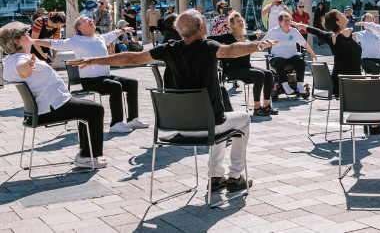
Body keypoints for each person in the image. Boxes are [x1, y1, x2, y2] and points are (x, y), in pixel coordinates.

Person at [67, 10, 277, 192]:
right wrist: (257, 45)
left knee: (221, 122)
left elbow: (132, 58)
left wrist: (93, 60)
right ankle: (235, 177)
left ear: (179, 31)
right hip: (208, 124)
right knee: (242, 121)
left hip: (180, 126)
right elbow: (230, 51)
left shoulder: (169, 48)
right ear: (202, 26)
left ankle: (215, 177)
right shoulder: (207, 46)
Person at [1, 22, 107, 169]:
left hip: (45, 108)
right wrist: (27, 67)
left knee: (88, 109)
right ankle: (87, 158)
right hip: (52, 108)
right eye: (26, 32)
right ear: (16, 41)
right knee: (95, 110)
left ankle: (86, 155)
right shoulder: (20, 60)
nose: (29, 34)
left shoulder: (10, 60)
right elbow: (22, 69)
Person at [33, 16, 148, 133]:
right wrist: (33, 41)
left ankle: (133, 119)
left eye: (90, 19)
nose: (90, 20)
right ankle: (116, 124)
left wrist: (123, 30)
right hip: (90, 80)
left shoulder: (100, 38)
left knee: (132, 83)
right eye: (85, 20)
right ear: (79, 27)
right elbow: (55, 43)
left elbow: (113, 34)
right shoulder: (76, 40)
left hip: (106, 77)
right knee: (115, 86)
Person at [209, 12, 277, 116]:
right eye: (237, 21)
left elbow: (254, 36)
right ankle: (257, 108)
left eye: (241, 20)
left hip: (246, 67)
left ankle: (267, 106)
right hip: (233, 70)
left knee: (268, 73)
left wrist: (262, 38)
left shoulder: (246, 37)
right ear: (231, 24)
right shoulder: (228, 37)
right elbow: (210, 38)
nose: (240, 22)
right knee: (259, 75)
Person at [296, 9, 361, 96]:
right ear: (338, 22)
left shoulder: (330, 36)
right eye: (341, 15)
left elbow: (316, 31)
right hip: (350, 83)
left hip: (338, 81)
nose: (343, 14)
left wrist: (300, 25)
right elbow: (344, 41)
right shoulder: (341, 37)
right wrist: (347, 35)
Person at [265, 12, 317, 98]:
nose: (288, 22)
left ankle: (300, 86)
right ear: (280, 22)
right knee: (278, 62)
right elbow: (264, 41)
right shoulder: (274, 31)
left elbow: (304, 43)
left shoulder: (294, 31)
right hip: (278, 56)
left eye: (289, 20)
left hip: (292, 55)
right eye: (285, 20)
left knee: (300, 60)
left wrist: (312, 52)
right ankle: (286, 87)